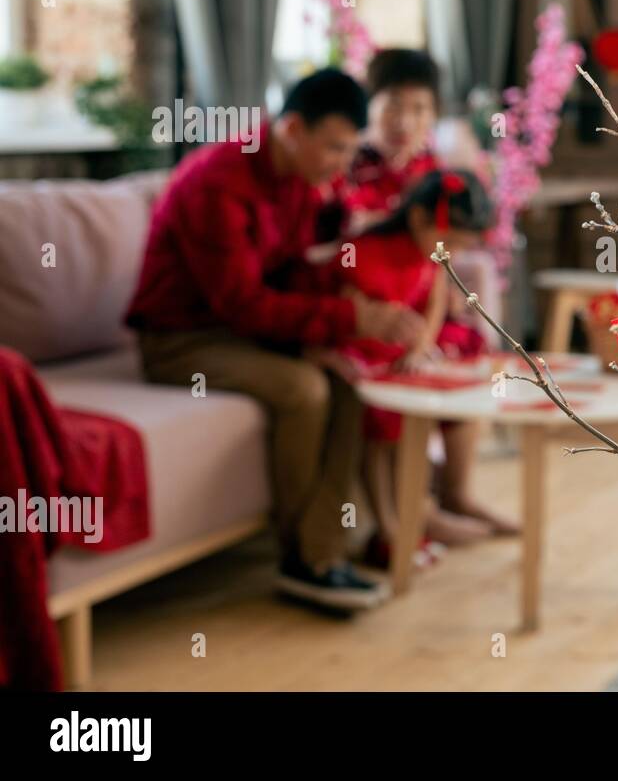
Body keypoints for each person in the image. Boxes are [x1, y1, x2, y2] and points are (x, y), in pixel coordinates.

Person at [125, 68, 426, 612]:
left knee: (349, 384)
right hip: (180, 341)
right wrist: (345, 321)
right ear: (291, 129)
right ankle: (305, 560)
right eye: (333, 147)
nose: (341, 164)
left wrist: (329, 333)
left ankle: (324, 551)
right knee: (303, 390)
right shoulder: (219, 185)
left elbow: (289, 275)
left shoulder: (299, 182)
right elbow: (244, 305)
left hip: (241, 331)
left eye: (349, 150)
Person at [325, 169, 519, 568]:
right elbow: (346, 315)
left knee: (467, 354)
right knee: (385, 403)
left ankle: (457, 492)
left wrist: (422, 344)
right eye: (453, 242)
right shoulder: (363, 252)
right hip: (365, 346)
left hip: (405, 343)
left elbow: (433, 297)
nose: (454, 254)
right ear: (417, 219)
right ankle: (395, 524)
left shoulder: (429, 253)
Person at [327, 49, 444, 236]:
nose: (404, 123)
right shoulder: (341, 161)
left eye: (419, 109)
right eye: (393, 105)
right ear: (368, 104)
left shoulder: (432, 171)